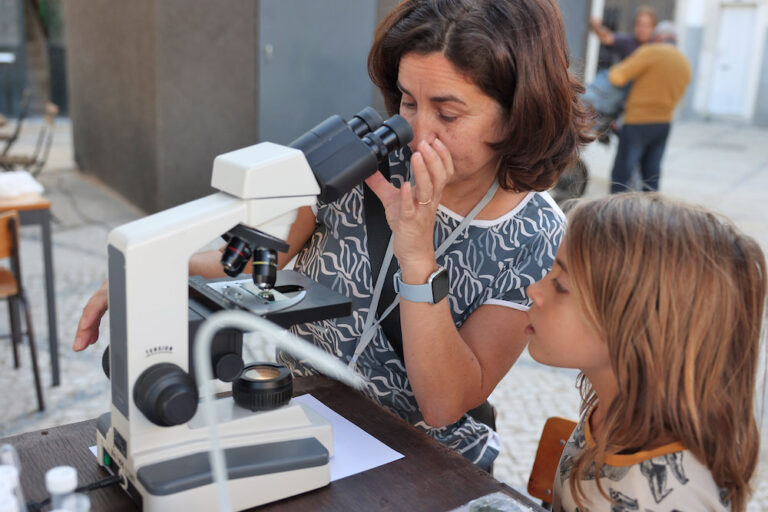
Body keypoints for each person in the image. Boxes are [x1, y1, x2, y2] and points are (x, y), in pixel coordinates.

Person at [74, 0, 592, 471]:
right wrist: (149, 266)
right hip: (305, 415)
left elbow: (443, 403)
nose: (418, 132)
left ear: (517, 113)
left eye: (448, 112)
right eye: (408, 102)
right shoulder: (360, 164)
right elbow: (257, 262)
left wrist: (417, 252)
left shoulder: (533, 233)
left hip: (423, 460)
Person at [525, 193, 765, 511]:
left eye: (562, 284)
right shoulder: (613, 411)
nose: (534, 289)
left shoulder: (665, 499)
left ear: (638, 327)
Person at [607, 21, 691, 193]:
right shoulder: (684, 62)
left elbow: (617, 77)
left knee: (622, 175)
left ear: (658, 37)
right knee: (651, 175)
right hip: (663, 123)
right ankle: (650, 215)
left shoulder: (650, 52)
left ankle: (613, 214)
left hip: (638, 122)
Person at [583, 7, 656, 136]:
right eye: (638, 24)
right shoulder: (629, 42)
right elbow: (607, 37)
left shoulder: (657, 49)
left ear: (652, 28)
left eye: (645, 25)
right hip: (618, 92)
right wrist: (595, 24)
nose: (641, 28)